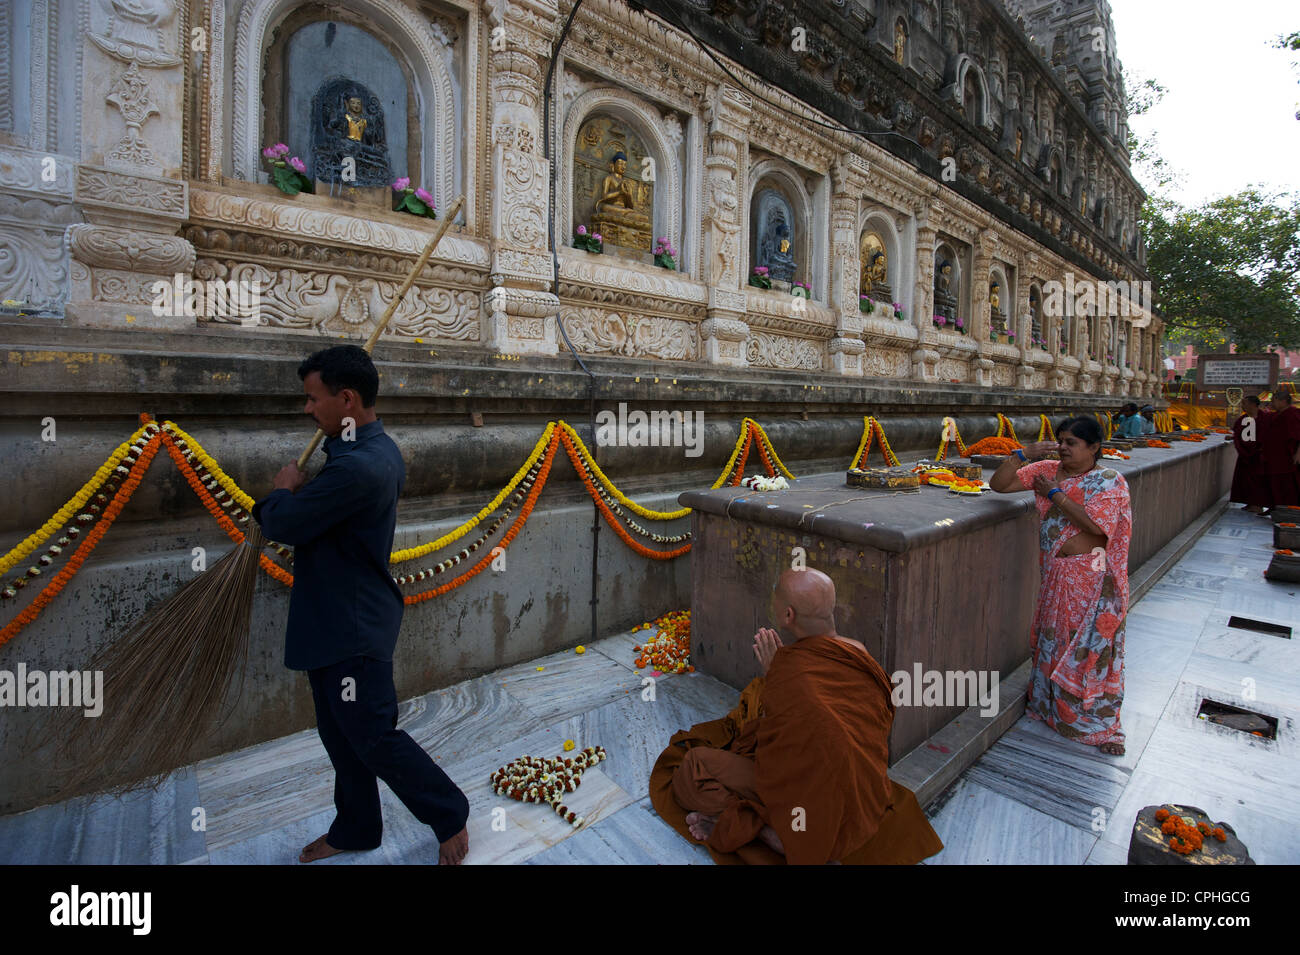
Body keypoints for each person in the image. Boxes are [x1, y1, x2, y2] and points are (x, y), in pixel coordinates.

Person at [252, 345, 470, 865]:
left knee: (371, 735)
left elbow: (282, 522)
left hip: (352, 629)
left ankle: (449, 812)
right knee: (339, 733)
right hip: (333, 619)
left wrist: (283, 492)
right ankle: (357, 827)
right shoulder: (363, 447)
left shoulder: (359, 467)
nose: (308, 410)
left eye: (313, 398)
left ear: (346, 398)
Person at [648, 568, 944, 865]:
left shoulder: (790, 674)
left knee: (693, 767)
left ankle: (767, 831)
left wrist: (777, 676)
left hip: (810, 810)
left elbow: (782, 756)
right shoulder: (858, 653)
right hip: (864, 797)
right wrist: (780, 675)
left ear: (788, 616)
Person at [988, 417, 1132, 756]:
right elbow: (999, 485)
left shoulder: (1109, 481)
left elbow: (1098, 528)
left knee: (1090, 651)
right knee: (1055, 641)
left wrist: (1053, 493)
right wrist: (1022, 455)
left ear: (1094, 447)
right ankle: (1050, 710)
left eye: (1072, 443)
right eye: (1061, 441)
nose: (1064, 448)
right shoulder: (1049, 469)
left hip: (1095, 582)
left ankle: (1100, 726)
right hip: (1057, 577)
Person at [1260, 389, 1300, 508]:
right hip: (1275, 457)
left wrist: (1298, 453)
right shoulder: (1277, 414)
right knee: (1274, 484)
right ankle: (1275, 508)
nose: (1272, 404)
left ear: (1283, 401)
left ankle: (1288, 511)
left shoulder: (1294, 414)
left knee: (1287, 486)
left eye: (1274, 401)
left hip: (1288, 457)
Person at [1230, 396, 1270, 514]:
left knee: (1258, 481)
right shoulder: (1243, 419)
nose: (1242, 406)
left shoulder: (1266, 419)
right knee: (1244, 480)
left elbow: (1269, 435)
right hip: (1246, 455)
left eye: (1244, 403)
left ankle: (1257, 505)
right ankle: (1249, 502)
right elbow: (1240, 434)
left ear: (1253, 405)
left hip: (1259, 456)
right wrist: (1235, 438)